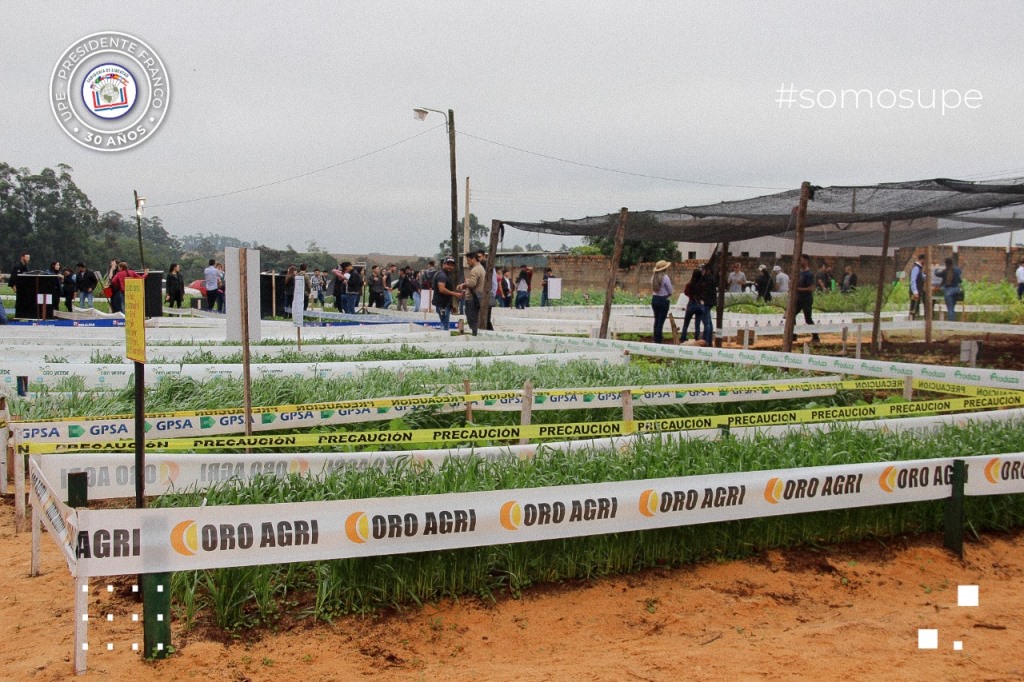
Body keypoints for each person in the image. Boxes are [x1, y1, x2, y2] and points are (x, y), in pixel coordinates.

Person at [791, 255, 820, 344]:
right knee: (791, 315)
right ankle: (793, 335)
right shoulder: (799, 273)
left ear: (806, 261)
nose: (800, 262)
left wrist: (798, 289)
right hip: (799, 298)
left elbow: (811, 288)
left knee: (808, 319)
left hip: (806, 299)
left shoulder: (809, 274)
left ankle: (816, 337)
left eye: (802, 260)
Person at [432, 257, 463, 330]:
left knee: (445, 323)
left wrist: (451, 305)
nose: (450, 267)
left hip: (446, 304)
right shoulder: (442, 275)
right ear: (443, 264)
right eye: (448, 264)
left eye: (452, 265)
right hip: (442, 304)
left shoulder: (447, 274)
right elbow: (442, 289)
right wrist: (455, 294)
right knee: (444, 325)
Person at [461, 252, 487, 335]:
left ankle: (474, 335)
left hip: (472, 299)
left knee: (472, 320)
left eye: (468, 260)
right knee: (475, 318)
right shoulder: (481, 268)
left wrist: (466, 282)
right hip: (478, 297)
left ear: (473, 259)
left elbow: (472, 284)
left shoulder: (475, 270)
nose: (467, 262)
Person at [650, 260, 673, 343]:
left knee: (656, 319)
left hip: (655, 299)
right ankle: (658, 340)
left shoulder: (653, 277)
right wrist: (669, 295)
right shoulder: (665, 277)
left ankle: (655, 337)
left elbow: (653, 288)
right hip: (663, 299)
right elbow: (670, 290)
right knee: (661, 321)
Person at [697, 262, 717, 346]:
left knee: (706, 322)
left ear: (707, 270)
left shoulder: (705, 279)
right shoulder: (712, 278)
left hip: (705, 302)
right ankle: (709, 340)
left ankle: (706, 340)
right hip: (710, 302)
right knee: (709, 321)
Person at [937, 257, 963, 322]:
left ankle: (951, 324)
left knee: (950, 308)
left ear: (946, 264)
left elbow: (936, 274)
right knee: (953, 307)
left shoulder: (945, 271)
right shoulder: (957, 270)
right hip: (957, 290)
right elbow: (960, 279)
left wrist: (936, 269)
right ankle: (953, 321)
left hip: (948, 291)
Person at [680, 268, 703, 342]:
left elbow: (686, 293)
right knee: (697, 323)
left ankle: (683, 337)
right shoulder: (702, 285)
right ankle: (697, 337)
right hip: (699, 304)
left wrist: (691, 296)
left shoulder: (689, 285)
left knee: (686, 322)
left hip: (691, 303)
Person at [908, 253, 926, 320]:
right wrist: (915, 292)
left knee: (916, 308)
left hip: (918, 291)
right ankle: (911, 322)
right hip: (915, 292)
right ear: (922, 260)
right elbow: (913, 280)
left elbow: (922, 278)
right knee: (913, 308)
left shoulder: (919, 269)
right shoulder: (916, 268)